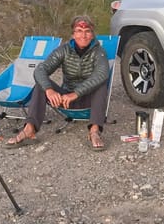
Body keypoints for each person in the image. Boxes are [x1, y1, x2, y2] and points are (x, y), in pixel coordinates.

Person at [6, 15, 109, 150]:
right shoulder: (64, 50)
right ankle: (29, 129)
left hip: (88, 99)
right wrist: (49, 89)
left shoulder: (99, 52)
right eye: (79, 31)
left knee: (100, 84)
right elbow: (40, 69)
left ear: (92, 35)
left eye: (87, 31)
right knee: (41, 84)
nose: (83, 35)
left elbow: (102, 74)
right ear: (73, 34)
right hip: (65, 99)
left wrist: (76, 93)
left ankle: (94, 132)